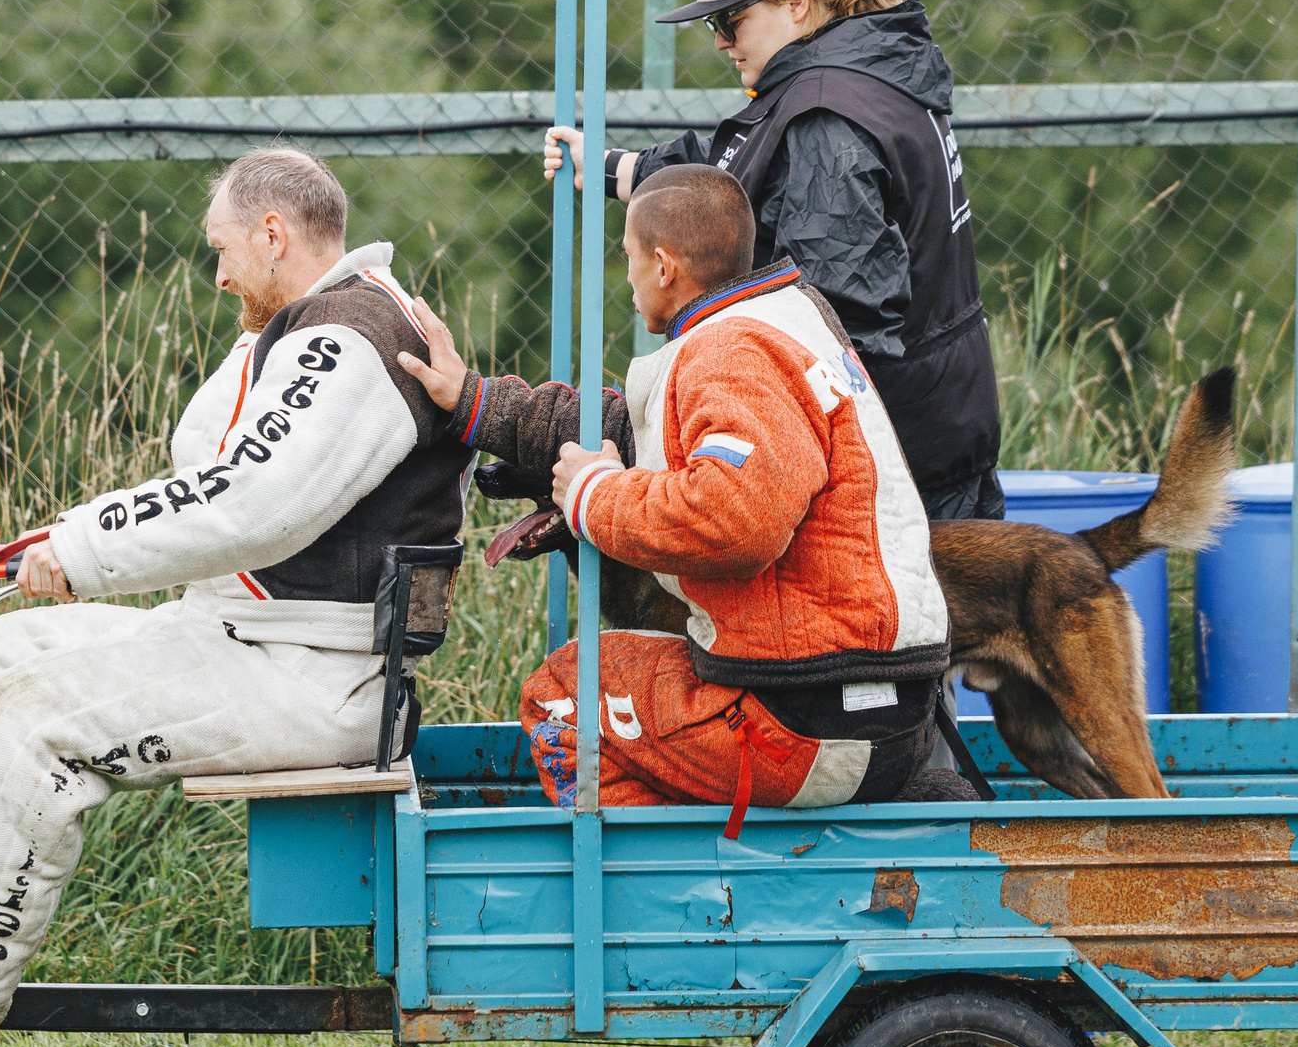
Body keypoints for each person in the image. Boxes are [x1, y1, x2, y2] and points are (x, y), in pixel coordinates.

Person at [0, 148, 471, 1035]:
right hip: (252, 638)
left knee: (30, 714)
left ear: (273, 235)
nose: (217, 273)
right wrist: (58, 543)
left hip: (316, 675)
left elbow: (250, 502)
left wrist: (82, 547)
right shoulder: (316, 328)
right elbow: (227, 476)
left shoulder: (347, 342)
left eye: (223, 249)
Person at [396, 165, 971, 822]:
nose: (630, 277)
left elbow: (735, 522)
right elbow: (633, 431)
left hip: (806, 721)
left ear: (664, 265)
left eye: (630, 259)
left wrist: (594, 494)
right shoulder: (787, 320)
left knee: (566, 692)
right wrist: (472, 399)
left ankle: (680, 906)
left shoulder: (730, 351)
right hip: (887, 712)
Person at [548, 0, 1003, 521]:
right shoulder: (869, 72)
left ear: (794, 2)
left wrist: (757, 456)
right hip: (940, 422)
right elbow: (744, 168)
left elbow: (837, 314)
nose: (719, 41)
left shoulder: (824, 114)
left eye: (731, 20)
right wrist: (619, 170)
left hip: (892, 465)